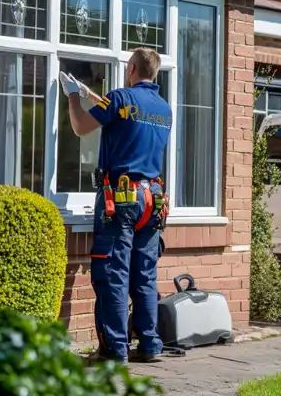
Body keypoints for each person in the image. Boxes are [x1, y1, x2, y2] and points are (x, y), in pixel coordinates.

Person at [60, 47, 172, 364]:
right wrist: (91, 95)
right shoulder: (164, 109)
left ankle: (114, 349)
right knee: (145, 275)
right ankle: (149, 345)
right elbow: (126, 118)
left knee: (113, 274)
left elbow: (81, 127)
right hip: (153, 200)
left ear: (132, 67)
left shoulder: (119, 98)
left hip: (120, 199)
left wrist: (72, 96)